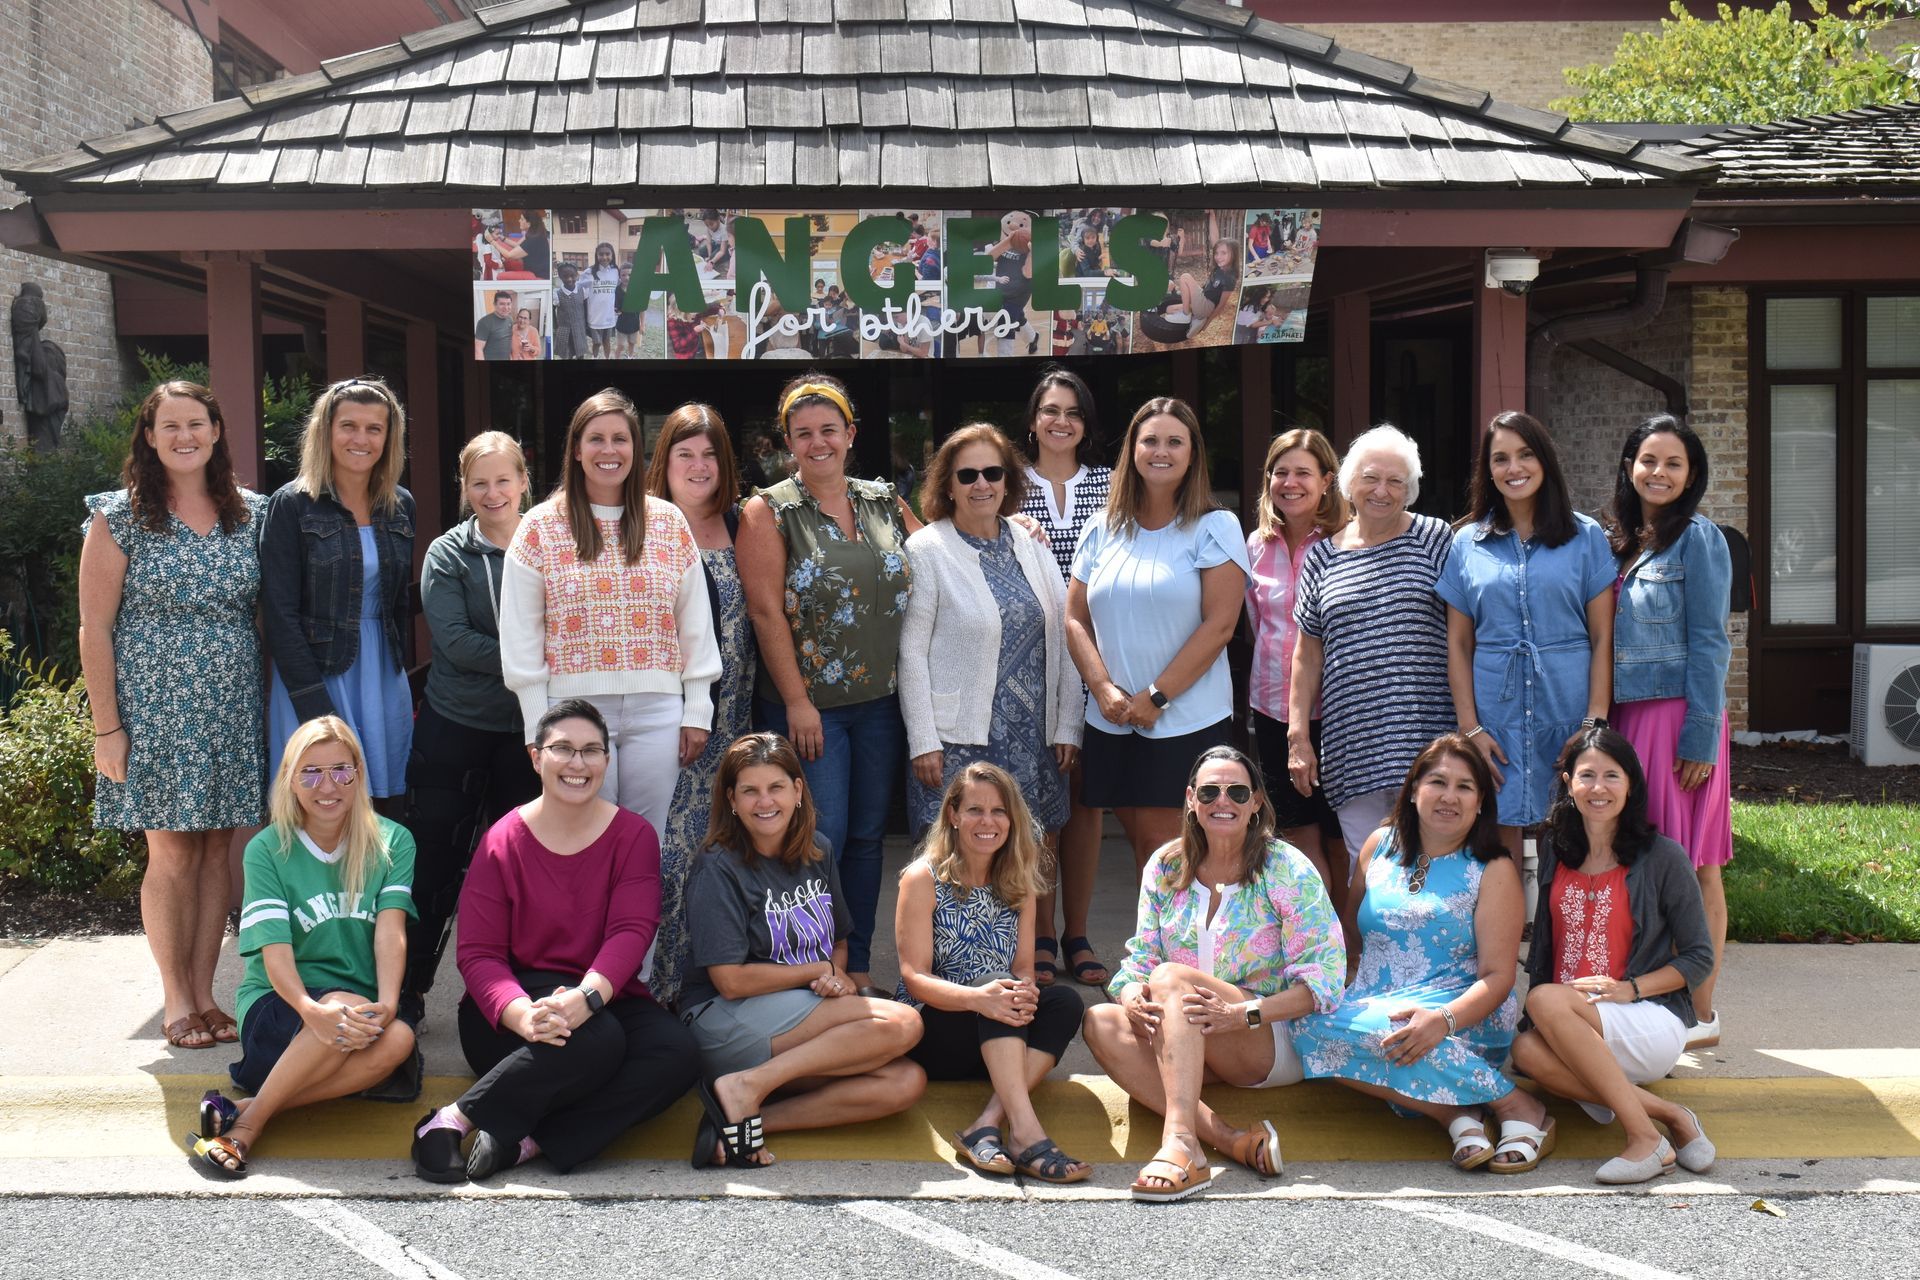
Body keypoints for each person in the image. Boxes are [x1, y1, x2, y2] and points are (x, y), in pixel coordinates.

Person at [411, 700, 700, 1182]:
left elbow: (632, 929)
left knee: (677, 1054)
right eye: (563, 749)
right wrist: (523, 1015)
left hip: (605, 994)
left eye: (591, 751)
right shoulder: (502, 840)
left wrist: (588, 997)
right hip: (510, 1010)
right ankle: (451, 1120)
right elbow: (479, 954)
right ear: (535, 757)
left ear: (607, 762)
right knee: (597, 1041)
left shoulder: (633, 835)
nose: (577, 763)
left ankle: (529, 1140)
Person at [79, 381, 267, 1050]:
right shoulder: (120, 517)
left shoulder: (251, 514)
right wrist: (108, 727)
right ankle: (175, 998)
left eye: (197, 423)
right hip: (152, 709)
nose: (184, 435)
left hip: (231, 706)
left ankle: (208, 992)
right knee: (173, 850)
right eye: (170, 426)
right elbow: (93, 628)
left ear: (216, 431)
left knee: (219, 847)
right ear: (150, 438)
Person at [1083, 747, 1345, 1202]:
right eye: (1209, 791)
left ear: (1256, 802)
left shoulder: (1287, 867)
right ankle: (1228, 1140)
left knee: (1171, 978)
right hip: (1196, 1034)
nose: (1222, 801)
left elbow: (1325, 982)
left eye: (1237, 791)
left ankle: (1182, 1145)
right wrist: (1128, 996)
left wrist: (1241, 1014)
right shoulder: (1166, 865)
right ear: (1190, 799)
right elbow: (1139, 960)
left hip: (1269, 1037)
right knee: (1100, 1022)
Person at [738, 373, 919, 993]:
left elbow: (940, 560)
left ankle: (858, 966)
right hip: (810, 709)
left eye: (828, 430)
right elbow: (764, 612)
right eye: (803, 433)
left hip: (881, 706)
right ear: (788, 441)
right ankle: (812, 967)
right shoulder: (768, 511)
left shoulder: (884, 501)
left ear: (851, 435)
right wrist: (795, 701)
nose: (817, 443)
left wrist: (1016, 527)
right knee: (818, 839)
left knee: (869, 840)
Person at [1289, 735, 1537, 1174]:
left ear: (1480, 803)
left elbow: (1498, 977)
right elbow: (1349, 928)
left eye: (1465, 787)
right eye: (1438, 781)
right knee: (1304, 1016)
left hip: (1462, 1013)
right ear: (1414, 788)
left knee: (1374, 1033)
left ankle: (1517, 1104)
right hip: (1372, 1009)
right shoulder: (1379, 845)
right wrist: (1345, 987)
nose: (1449, 796)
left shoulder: (1493, 868)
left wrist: (1442, 1021)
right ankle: (1459, 1112)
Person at [186, 717, 417, 1178]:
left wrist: (389, 1003)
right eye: (310, 771)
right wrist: (312, 1010)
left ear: (358, 774)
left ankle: (246, 1107)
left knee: (400, 1040)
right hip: (280, 1006)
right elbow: (275, 954)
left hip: (353, 1019)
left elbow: (390, 930)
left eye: (340, 770)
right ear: (290, 779)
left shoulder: (394, 841)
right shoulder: (268, 848)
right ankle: (246, 1130)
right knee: (344, 1006)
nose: (326, 785)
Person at [681, 733, 926, 1168]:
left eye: (776, 787)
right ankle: (744, 1086)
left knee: (905, 1081)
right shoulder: (718, 867)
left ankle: (744, 1116)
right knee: (903, 1023)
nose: (764, 802)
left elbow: (838, 939)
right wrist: (818, 971)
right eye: (750, 791)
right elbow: (731, 981)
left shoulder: (818, 850)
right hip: (725, 1018)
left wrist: (834, 973)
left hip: (798, 1019)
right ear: (731, 800)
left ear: (797, 791)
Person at [500, 388, 720, 831]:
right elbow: (521, 634)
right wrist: (536, 726)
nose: (609, 450)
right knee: (585, 834)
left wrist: (697, 708)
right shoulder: (540, 527)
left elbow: (694, 622)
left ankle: (638, 907)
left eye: (620, 439)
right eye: (596, 438)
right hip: (572, 710)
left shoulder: (667, 522)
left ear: (636, 449)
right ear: (577, 450)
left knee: (645, 837)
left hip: (658, 709)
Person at [1507, 728, 1717, 1184]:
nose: (1598, 788)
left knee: (1544, 999)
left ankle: (1644, 1138)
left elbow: (1699, 957)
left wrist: (1631, 989)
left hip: (1646, 1017)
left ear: (1631, 784)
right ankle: (1673, 1116)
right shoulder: (1554, 851)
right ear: (1567, 782)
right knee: (1524, 1049)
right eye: (1586, 775)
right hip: (1573, 1024)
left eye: (1611, 776)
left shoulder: (1662, 856)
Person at [1066, 397, 1249, 875]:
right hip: (1114, 717)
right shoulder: (1102, 526)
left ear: (1193, 454)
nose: (1160, 451)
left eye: (1174, 441)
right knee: (1143, 848)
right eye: (1149, 440)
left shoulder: (1216, 526)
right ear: (1132, 450)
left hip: (1182, 718)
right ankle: (1163, 947)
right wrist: (1103, 690)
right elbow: (1075, 620)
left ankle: (1186, 950)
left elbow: (1220, 625)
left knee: (1168, 850)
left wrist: (1156, 695)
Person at [399, 433, 541, 1029]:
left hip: (528, 733)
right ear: (465, 488)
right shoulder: (448, 554)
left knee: (523, 870)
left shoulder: (551, 543)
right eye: (479, 482)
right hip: (455, 728)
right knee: (434, 863)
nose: (492, 493)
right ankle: (407, 991)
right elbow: (454, 643)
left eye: (502, 480)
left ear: (523, 480)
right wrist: (540, 654)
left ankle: (512, 994)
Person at [895, 763, 1091, 1183]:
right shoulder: (922, 878)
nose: (988, 822)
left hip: (1000, 1031)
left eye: (999, 811)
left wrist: (1023, 991)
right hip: (939, 1030)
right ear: (953, 815)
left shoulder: (1018, 880)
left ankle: (988, 1121)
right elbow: (914, 977)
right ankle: (1026, 1133)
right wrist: (980, 998)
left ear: (1012, 819)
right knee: (994, 984)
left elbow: (1023, 969)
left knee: (1065, 1001)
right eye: (975, 810)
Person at [1605, 414, 1734, 1049]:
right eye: (1648, 459)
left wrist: (1700, 736)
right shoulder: (1621, 543)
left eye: (1673, 463)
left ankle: (1701, 1015)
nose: (1658, 472)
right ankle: (1657, 1001)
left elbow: (1711, 641)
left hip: (1680, 715)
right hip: (1629, 718)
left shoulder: (1699, 539)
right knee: (1643, 859)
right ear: (1630, 466)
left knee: (1696, 866)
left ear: (1691, 475)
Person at [1438, 410, 1617, 858]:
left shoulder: (1585, 536)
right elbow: (1459, 644)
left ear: (1545, 462)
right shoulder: (1467, 543)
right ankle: (1507, 928)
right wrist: (1470, 729)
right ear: (1489, 470)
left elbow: (1603, 637)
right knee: (1498, 837)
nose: (1513, 468)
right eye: (1501, 459)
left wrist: (1592, 723)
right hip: (1494, 717)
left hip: (1569, 707)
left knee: (1575, 832)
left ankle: (1561, 929)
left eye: (1525, 455)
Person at [900, 424, 1080, 847]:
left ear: (1007, 481)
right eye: (967, 475)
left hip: (1037, 738)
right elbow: (910, 653)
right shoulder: (927, 550)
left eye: (992, 473)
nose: (981, 483)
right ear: (948, 485)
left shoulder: (1032, 542)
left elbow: (1065, 634)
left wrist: (1069, 724)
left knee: (1031, 860)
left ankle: (1037, 921)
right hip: (959, 742)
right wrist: (923, 739)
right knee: (960, 864)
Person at [1287, 424, 1455, 851]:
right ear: (1348, 483)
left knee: (1433, 861)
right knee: (1369, 869)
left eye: (1395, 481)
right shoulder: (1322, 557)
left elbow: (1465, 634)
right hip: (1352, 743)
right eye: (1370, 478)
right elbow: (1307, 656)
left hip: (1428, 740)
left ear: (1410, 488)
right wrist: (1298, 736)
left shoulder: (1436, 540)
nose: (1382, 490)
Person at [642, 404, 758, 1007]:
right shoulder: (646, 525)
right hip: (679, 722)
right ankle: (655, 990)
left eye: (709, 453)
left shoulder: (746, 522)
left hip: (741, 722)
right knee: (671, 855)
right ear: (664, 462)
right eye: (684, 452)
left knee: (725, 857)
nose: (698, 464)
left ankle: (711, 986)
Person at [259, 377, 415, 800]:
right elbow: (278, 614)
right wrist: (312, 703)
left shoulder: (400, 505)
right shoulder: (291, 504)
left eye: (374, 428)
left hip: (382, 674)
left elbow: (398, 601)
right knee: (318, 802)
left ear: (389, 437)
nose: (360, 439)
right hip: (318, 673)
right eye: (348, 425)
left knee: (381, 804)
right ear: (326, 431)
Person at [1244, 428, 1349, 896]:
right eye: (1280, 472)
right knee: (1296, 834)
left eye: (1303, 472)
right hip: (1272, 712)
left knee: (1340, 835)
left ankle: (1350, 950)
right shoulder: (1254, 546)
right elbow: (1254, 623)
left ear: (1327, 480)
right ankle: (1321, 946)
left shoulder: (1346, 544)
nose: (1290, 482)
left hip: (1337, 714)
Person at [583, 241, 621, 358]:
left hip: (608, 316)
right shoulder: (588, 272)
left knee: (607, 342)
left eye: (607, 254)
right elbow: (580, 290)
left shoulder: (616, 271)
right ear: (596, 255)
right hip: (594, 316)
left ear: (612, 255)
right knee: (597, 342)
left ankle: (606, 358)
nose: (604, 257)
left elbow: (619, 289)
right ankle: (595, 358)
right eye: (601, 254)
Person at [552, 263, 589, 361]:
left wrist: (587, 324)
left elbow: (586, 308)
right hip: (565, 330)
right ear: (560, 276)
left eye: (572, 276)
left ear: (577, 275)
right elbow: (552, 311)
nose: (569, 279)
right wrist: (555, 327)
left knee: (580, 353)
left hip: (579, 329)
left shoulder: (582, 290)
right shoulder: (557, 294)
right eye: (565, 276)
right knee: (567, 354)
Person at [474, 290, 515, 361]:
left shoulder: (510, 319)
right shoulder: (484, 322)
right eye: (502, 304)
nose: (506, 307)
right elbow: (478, 349)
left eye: (508, 304)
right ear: (495, 304)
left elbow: (508, 340)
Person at [615, 262, 643, 357]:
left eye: (630, 275)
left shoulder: (638, 289)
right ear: (619, 276)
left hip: (634, 324)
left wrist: (642, 324)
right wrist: (616, 311)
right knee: (621, 346)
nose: (626, 277)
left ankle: (630, 357)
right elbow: (614, 306)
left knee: (632, 344)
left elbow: (642, 308)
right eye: (623, 275)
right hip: (621, 324)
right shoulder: (617, 290)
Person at [517, 210, 551, 279]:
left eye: (522, 219)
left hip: (538, 275)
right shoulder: (531, 235)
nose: (519, 221)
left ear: (529, 223)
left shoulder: (535, 238)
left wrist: (492, 241)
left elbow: (509, 255)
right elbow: (517, 245)